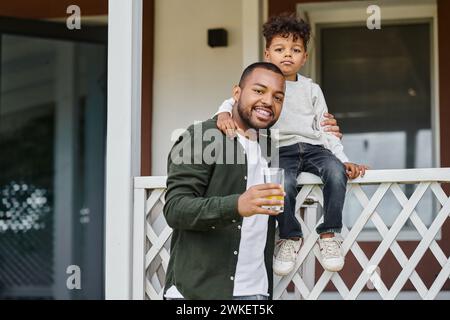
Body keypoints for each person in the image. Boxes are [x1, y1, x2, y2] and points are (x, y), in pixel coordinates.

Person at [215, 14, 369, 275]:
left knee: (335, 173)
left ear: (305, 57)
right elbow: (235, 101)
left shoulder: (312, 89)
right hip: (281, 150)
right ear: (267, 53)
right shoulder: (263, 83)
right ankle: (289, 237)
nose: (288, 55)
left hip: (314, 148)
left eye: (295, 50)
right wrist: (222, 113)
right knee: (282, 184)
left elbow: (326, 129)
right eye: (279, 49)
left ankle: (330, 234)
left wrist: (343, 160)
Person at [163, 62, 288, 300]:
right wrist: (236, 205)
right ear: (237, 93)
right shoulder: (202, 136)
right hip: (198, 293)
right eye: (259, 91)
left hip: (256, 290)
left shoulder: (269, 145)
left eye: (278, 97)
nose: (269, 102)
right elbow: (175, 209)